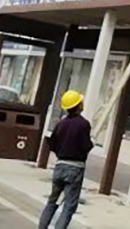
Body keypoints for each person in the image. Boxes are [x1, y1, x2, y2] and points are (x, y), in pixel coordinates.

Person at [39, 90, 94, 229]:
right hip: (75, 168)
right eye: (81, 102)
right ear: (78, 105)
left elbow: (53, 143)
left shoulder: (61, 124)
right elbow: (86, 146)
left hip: (59, 166)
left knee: (52, 201)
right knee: (69, 206)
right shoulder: (84, 124)